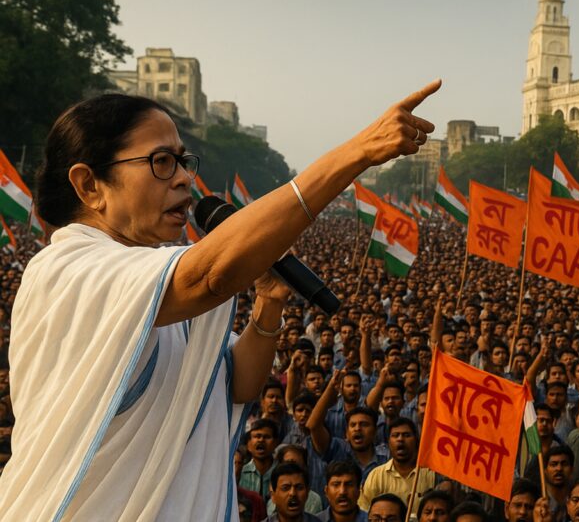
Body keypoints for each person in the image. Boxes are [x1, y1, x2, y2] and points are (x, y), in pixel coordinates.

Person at [0, 82, 440, 520]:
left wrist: (268, 304)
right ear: (89, 185)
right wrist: (354, 154)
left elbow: (240, 386)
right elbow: (210, 275)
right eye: (160, 162)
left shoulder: (154, 285)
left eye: (182, 161)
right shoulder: (65, 269)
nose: (183, 178)